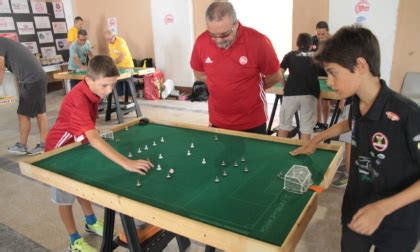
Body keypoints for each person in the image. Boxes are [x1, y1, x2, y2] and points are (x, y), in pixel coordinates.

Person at [291, 26, 420, 251]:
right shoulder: (355, 102)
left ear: (360, 66)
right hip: (356, 208)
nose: (329, 82)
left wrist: (382, 208)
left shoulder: (408, 113)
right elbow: (351, 123)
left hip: (399, 222)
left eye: (333, 72)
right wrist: (316, 140)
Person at [45, 55, 154, 251]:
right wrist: (126, 162)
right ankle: (74, 240)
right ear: (88, 80)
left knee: (80, 186)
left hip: (76, 145)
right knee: (65, 198)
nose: (110, 90)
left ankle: (91, 221)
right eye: (104, 85)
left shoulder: (92, 92)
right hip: (58, 153)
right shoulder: (78, 100)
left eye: (112, 85)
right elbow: (94, 138)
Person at [190, 1, 282, 134]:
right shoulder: (201, 42)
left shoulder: (259, 42)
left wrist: (251, 87)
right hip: (218, 121)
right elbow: (199, 74)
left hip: (253, 121)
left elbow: (276, 76)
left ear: (236, 24)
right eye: (213, 35)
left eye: (224, 34)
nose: (219, 40)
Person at [0, 38, 48, 155]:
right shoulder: (4, 42)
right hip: (36, 77)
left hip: (32, 80)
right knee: (40, 113)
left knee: (23, 114)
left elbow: (0, 68)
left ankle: (22, 145)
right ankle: (44, 144)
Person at [277, 33, 319, 141]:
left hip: (291, 93)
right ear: (310, 45)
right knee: (306, 127)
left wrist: (285, 85)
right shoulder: (315, 56)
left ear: (297, 44)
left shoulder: (290, 55)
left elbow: (280, 72)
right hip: (310, 93)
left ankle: (279, 151)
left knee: (284, 124)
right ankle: (303, 153)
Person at [311, 21, 331, 132]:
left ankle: (325, 123)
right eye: (318, 34)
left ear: (327, 32)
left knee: (325, 100)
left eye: (323, 34)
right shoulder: (312, 40)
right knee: (316, 99)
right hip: (315, 74)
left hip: (327, 74)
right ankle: (318, 122)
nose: (320, 36)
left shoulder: (333, 41)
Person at [105, 30, 134, 100]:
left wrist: (111, 63)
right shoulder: (109, 44)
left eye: (110, 39)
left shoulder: (121, 42)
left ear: (114, 36)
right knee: (118, 86)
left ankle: (131, 102)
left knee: (129, 87)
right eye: (107, 39)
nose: (109, 41)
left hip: (127, 66)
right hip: (118, 67)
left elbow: (122, 56)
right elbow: (112, 56)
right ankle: (122, 103)